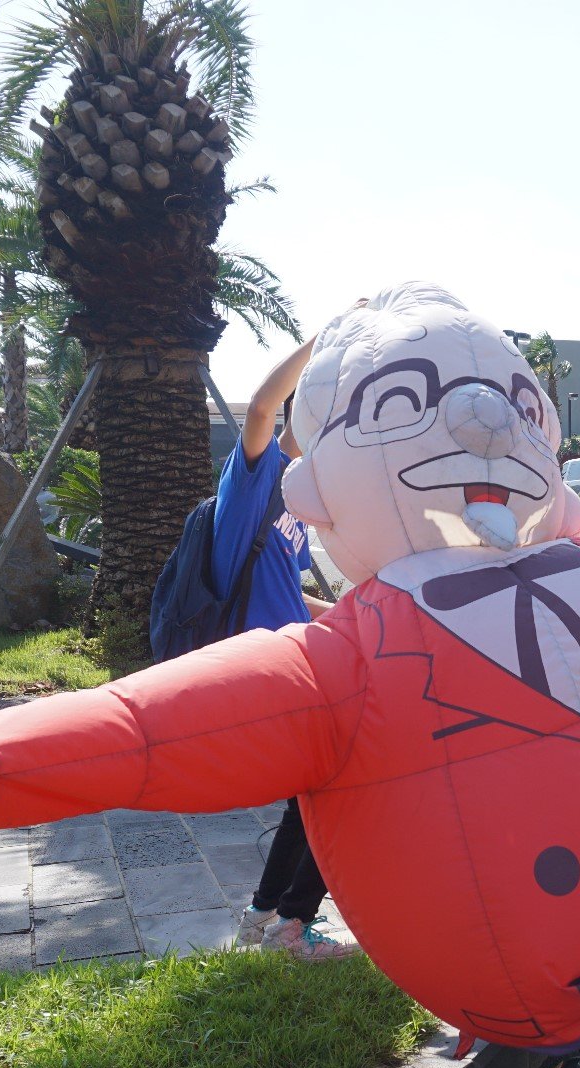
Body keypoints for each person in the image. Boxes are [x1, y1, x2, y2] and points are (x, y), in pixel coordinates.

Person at [209, 328, 351, 961]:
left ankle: (265, 917)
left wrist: (356, 614)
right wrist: (324, 339)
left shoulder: (294, 494)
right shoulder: (254, 480)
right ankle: (290, 925)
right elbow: (263, 408)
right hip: (262, 671)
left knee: (314, 795)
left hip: (291, 665)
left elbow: (286, 592)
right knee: (344, 786)